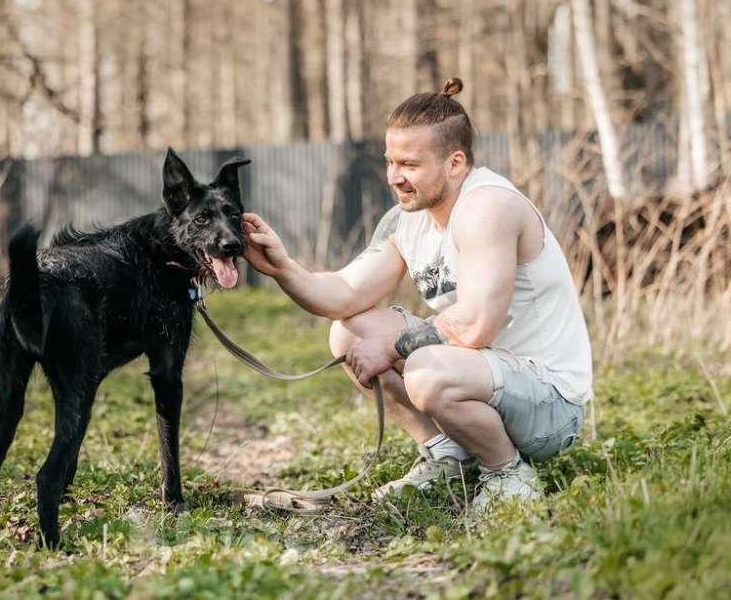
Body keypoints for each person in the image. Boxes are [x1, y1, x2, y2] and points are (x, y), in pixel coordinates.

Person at [241, 78, 591, 513]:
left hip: (550, 405)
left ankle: (507, 473)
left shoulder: (488, 208)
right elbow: (346, 293)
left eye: (409, 164)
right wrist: (282, 267)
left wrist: (391, 349)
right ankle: (449, 457)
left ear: (455, 163)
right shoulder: (407, 220)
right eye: (390, 162)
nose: (394, 178)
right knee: (348, 332)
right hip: (481, 379)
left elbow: (477, 323)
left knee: (425, 370)